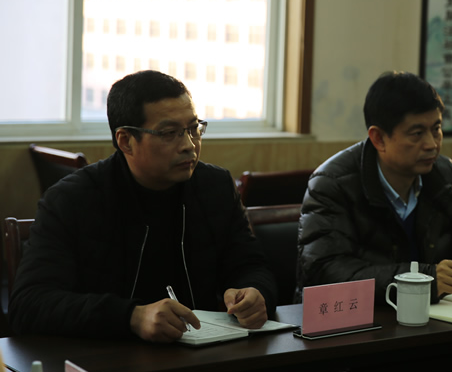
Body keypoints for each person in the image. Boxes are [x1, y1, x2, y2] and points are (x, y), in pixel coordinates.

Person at [9, 70, 277, 342]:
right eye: (169, 133)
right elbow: (29, 304)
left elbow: (251, 265)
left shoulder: (215, 187)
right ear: (125, 141)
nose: (189, 145)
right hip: (107, 359)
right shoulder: (72, 199)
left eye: (193, 129)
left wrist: (255, 292)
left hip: (203, 356)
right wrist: (132, 317)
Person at [297, 71, 452, 304]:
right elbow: (326, 271)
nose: (432, 144)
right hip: (358, 321)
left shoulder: (444, 173)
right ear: (378, 138)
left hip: (432, 317)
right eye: (417, 133)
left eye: (436, 129)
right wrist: (421, 279)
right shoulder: (333, 183)